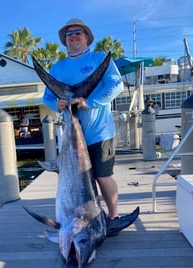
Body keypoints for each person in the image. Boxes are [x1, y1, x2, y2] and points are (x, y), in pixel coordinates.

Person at [43, 18, 139, 234]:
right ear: (64, 40)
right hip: (72, 137)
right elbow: (47, 97)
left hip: (98, 132)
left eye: (78, 32)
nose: (74, 36)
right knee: (77, 181)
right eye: (69, 33)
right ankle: (86, 218)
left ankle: (113, 217)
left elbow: (116, 85)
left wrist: (90, 102)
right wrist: (56, 104)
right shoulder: (57, 68)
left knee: (102, 176)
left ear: (87, 37)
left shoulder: (98, 59)